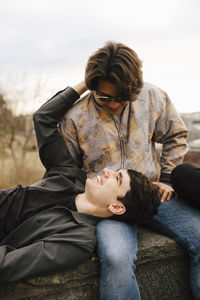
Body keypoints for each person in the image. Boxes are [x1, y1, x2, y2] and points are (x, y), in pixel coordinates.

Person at [60, 41, 200, 300]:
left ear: (134, 89)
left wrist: (167, 177)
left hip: (155, 195)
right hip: (109, 210)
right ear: (92, 88)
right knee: (115, 258)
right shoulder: (74, 117)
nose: (113, 105)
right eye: (104, 97)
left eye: (122, 98)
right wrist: (93, 199)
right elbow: (66, 170)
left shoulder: (153, 97)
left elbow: (176, 135)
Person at [0, 83, 160, 285]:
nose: (107, 171)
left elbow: (7, 264)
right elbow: (43, 119)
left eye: (117, 179)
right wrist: (88, 83)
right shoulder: (70, 175)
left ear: (117, 206)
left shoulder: (78, 240)